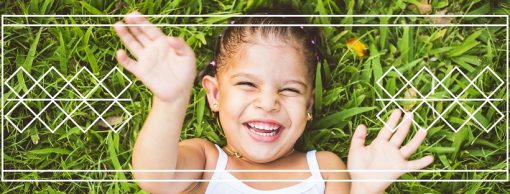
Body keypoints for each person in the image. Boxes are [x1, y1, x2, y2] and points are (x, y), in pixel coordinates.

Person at [113, 10, 434, 194]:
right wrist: (171, 101)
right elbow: (155, 177)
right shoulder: (206, 161)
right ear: (214, 94)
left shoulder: (324, 169)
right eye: (248, 84)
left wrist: (364, 188)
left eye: (290, 90)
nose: (268, 102)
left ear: (308, 106)